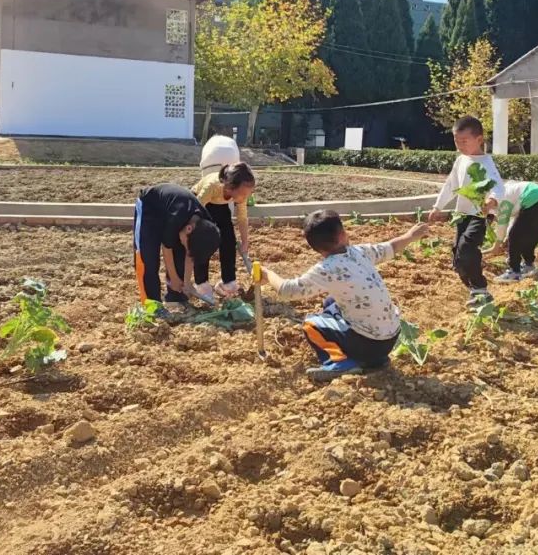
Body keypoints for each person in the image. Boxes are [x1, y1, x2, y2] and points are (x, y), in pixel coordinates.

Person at [257, 210, 429, 382]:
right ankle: (375, 360)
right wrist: (410, 235)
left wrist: (268, 274)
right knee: (331, 302)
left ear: (315, 246)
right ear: (342, 235)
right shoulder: (359, 252)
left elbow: (288, 291)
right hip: (390, 337)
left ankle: (340, 362)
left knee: (310, 325)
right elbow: (391, 247)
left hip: (370, 344)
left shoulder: (327, 268)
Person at [427, 116, 504, 305]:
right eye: (456, 141)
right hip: (462, 214)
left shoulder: (486, 163)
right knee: (458, 255)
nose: (459, 145)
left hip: (480, 214)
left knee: (468, 247)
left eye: (464, 141)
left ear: (479, 140)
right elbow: (450, 185)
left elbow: (498, 186)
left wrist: (491, 200)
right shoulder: (460, 161)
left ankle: (481, 290)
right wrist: (438, 206)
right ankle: (471, 287)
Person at [133, 184, 221, 308]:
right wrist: (174, 278)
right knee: (148, 259)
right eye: (186, 242)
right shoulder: (177, 217)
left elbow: (191, 253)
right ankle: (151, 305)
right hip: (150, 208)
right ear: (189, 228)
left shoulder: (206, 224)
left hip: (172, 213)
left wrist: (186, 282)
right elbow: (166, 247)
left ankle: (175, 297)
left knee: (181, 251)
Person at [193, 162, 256, 296]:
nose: (246, 197)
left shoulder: (240, 194)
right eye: (244, 194)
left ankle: (228, 281)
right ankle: (201, 283)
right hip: (201, 206)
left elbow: (242, 217)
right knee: (205, 242)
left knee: (228, 240)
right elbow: (195, 209)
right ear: (230, 187)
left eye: (248, 194)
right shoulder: (212, 186)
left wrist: (245, 242)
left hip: (221, 207)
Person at [491, 180, 538, 282]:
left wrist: (497, 245)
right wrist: (507, 238)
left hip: (532, 199)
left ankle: (514, 272)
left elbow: (503, 225)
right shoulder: (506, 192)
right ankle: (529, 265)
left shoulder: (502, 200)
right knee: (531, 234)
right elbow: (514, 220)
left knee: (515, 236)